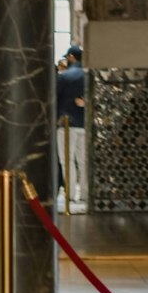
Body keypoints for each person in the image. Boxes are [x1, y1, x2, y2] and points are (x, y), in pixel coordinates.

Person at [56, 43, 87, 208]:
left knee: (67, 160)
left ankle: (70, 195)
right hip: (85, 124)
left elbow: (55, 99)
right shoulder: (89, 75)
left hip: (66, 124)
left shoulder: (64, 76)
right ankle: (85, 194)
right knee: (83, 161)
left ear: (71, 57)